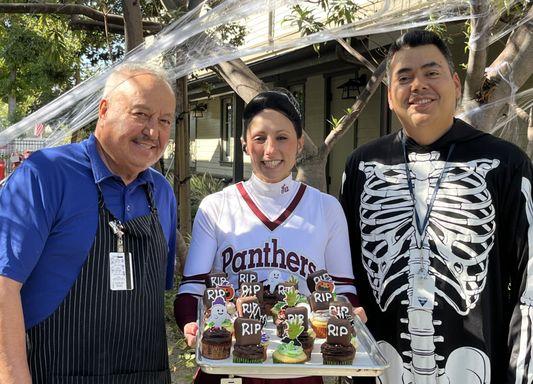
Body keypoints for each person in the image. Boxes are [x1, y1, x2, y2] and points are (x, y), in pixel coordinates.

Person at [340, 29, 533, 384]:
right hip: (381, 369)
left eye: (431, 73)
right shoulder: (361, 166)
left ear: (456, 84)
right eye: (404, 77)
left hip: (478, 369)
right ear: (390, 97)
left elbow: (529, 283)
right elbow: (345, 273)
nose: (418, 86)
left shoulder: (505, 163)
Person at [0, 63, 178, 384]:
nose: (153, 131)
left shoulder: (161, 193)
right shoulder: (47, 174)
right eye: (140, 114)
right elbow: (3, 286)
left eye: (164, 121)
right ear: (104, 109)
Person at [175, 89, 365, 384]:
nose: (270, 150)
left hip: (301, 367)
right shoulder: (216, 206)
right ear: (244, 145)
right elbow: (191, 291)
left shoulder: (327, 209)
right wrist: (190, 322)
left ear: (300, 144)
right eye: (259, 138)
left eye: (282, 137)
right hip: (229, 368)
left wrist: (350, 314)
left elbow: (343, 290)